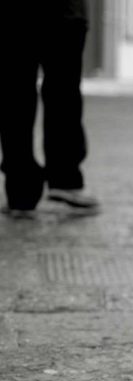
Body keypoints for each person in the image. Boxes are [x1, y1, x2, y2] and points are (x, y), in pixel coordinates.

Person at [0, 0, 99, 219]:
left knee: (14, 95)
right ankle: (64, 180)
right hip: (63, 13)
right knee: (62, 91)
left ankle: (20, 188)